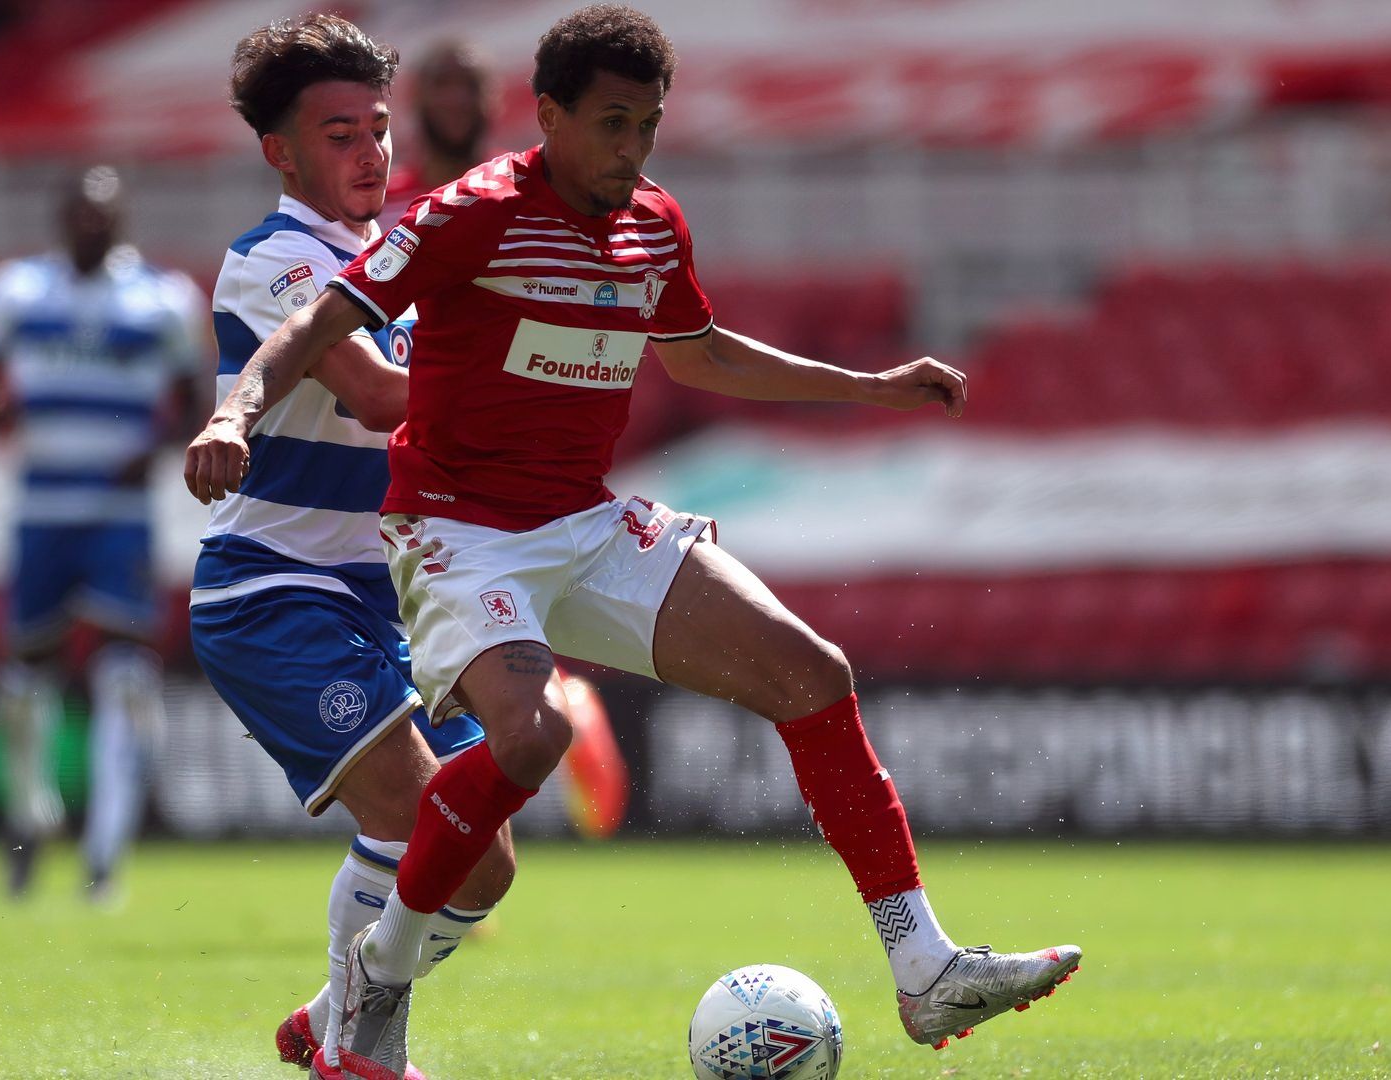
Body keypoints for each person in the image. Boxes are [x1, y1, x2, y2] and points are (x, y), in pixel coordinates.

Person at [188, 6, 1083, 1075]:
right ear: (553, 116)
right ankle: (365, 1011)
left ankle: (925, 967)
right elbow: (347, 359)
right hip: (397, 551)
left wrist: (867, 387)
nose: (632, 148)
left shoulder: (643, 220)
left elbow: (699, 354)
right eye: (611, 123)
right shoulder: (427, 226)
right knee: (505, 759)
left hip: (565, 522)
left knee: (809, 673)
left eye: (648, 125)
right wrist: (235, 413)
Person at [185, 17, 520, 1077]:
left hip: (388, 602)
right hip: (276, 593)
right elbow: (377, 395)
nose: (370, 151)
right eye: (339, 133)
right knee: (422, 820)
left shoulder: (406, 251)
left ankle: (334, 1010)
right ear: (281, 152)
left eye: (377, 127)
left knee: (482, 868)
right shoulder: (274, 261)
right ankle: (360, 1054)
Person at [0, 166, 206, 901]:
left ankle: (104, 855)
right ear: (60, 218)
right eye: (79, 212)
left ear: (121, 217)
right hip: (41, 512)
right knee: (22, 680)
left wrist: (157, 450)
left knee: (127, 678)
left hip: (118, 518)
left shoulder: (163, 298)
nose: (91, 224)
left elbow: (195, 407)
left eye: (103, 212)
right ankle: (30, 813)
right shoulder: (14, 291)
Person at [380, 39, 499, 223]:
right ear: (415, 97)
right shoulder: (381, 203)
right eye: (441, 84)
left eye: (470, 85)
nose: (457, 99)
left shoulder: (525, 186)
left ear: (493, 98)